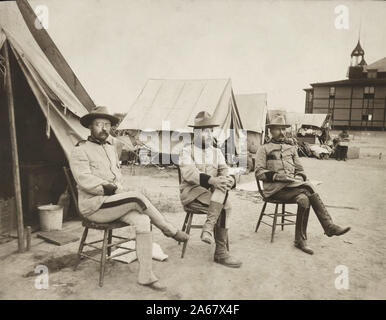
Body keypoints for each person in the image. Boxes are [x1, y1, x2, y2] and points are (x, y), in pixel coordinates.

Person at [69, 106, 189, 291]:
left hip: (111, 204)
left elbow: (117, 176)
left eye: (107, 124)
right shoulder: (80, 150)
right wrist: (113, 189)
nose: (104, 128)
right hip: (94, 207)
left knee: (143, 220)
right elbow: (84, 180)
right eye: (99, 124)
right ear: (90, 127)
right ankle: (169, 230)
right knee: (136, 197)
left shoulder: (110, 149)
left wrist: (118, 189)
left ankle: (146, 276)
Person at [255, 114, 351, 255]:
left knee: (304, 199)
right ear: (271, 131)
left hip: (292, 188)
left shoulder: (291, 148)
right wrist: (278, 176)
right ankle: (328, 226)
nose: (282, 132)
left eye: (284, 129)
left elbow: (301, 170)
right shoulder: (263, 149)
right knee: (307, 188)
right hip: (275, 190)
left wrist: (297, 178)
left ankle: (300, 240)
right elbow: (258, 173)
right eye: (278, 129)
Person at [178, 111, 242, 268]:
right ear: (195, 132)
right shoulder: (187, 151)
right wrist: (213, 180)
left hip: (213, 193)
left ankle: (208, 229)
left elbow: (224, 169)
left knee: (224, 187)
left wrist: (227, 180)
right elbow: (190, 173)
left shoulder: (216, 151)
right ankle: (220, 252)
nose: (207, 134)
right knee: (226, 206)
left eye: (209, 130)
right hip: (192, 193)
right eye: (203, 130)